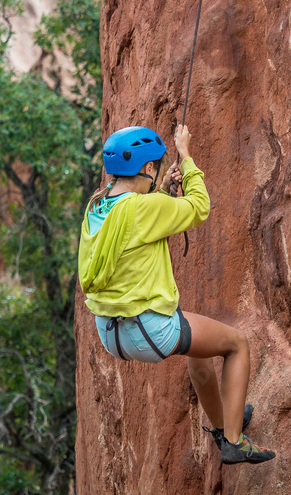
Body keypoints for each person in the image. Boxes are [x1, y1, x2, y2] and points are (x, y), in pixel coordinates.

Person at [78, 123, 275, 465]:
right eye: (157, 166)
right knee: (236, 344)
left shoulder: (98, 207)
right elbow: (199, 207)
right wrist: (186, 158)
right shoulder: (142, 208)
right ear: (149, 168)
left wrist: (164, 196)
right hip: (146, 331)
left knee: (196, 346)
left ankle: (222, 423)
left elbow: (135, 231)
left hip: (111, 332)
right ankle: (233, 441)